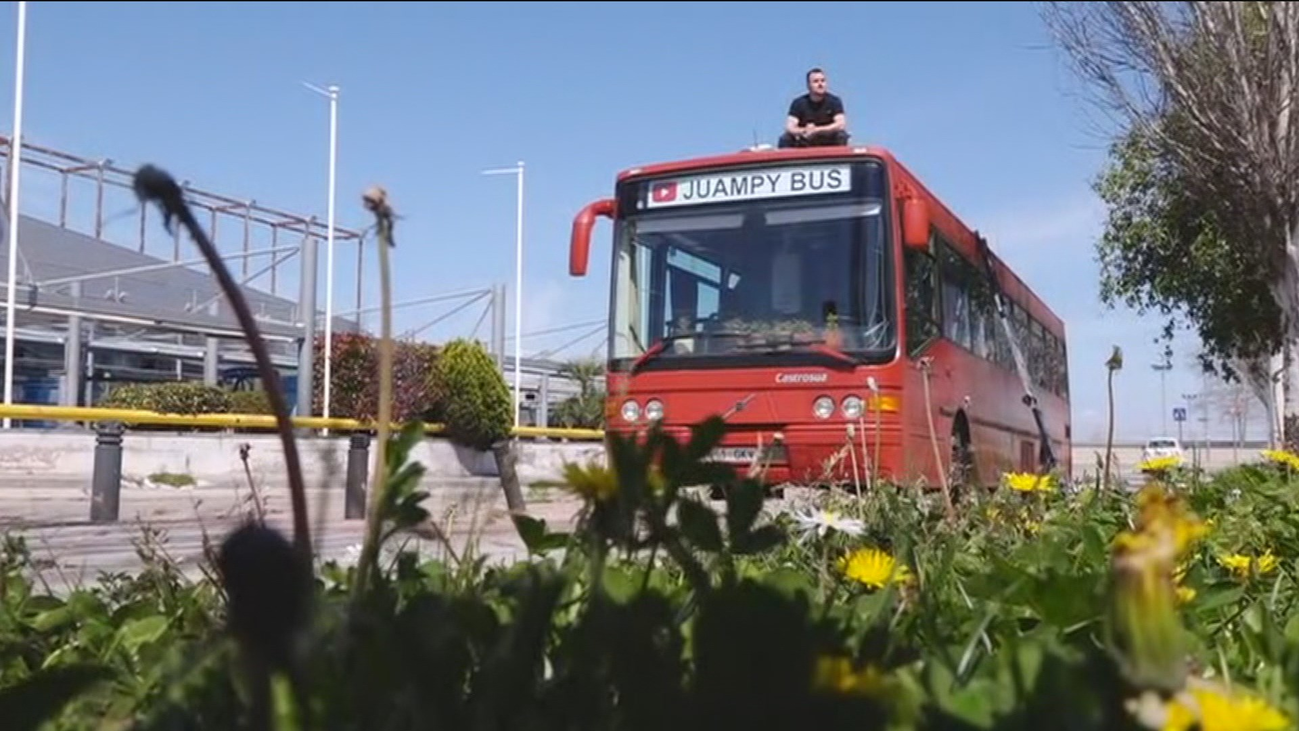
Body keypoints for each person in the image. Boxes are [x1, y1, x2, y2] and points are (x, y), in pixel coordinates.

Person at [779, 67, 849, 148]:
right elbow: (789, 127)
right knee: (785, 138)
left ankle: (840, 160)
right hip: (805, 139)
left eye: (823, 81)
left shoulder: (834, 101)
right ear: (808, 85)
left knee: (841, 135)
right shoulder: (798, 103)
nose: (820, 84)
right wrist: (804, 130)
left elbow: (841, 124)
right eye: (816, 81)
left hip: (829, 140)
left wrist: (816, 130)